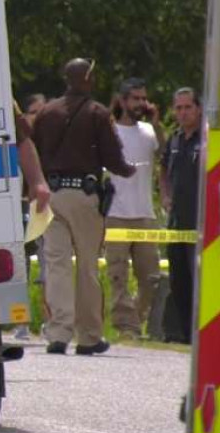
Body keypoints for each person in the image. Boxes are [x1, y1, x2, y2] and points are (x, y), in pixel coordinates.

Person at [32, 58, 135, 355]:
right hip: (84, 195)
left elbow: (33, 152)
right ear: (87, 78)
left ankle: (59, 333)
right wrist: (130, 170)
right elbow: (114, 159)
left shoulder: (47, 112)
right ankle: (89, 336)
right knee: (88, 266)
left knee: (57, 265)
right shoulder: (97, 113)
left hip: (50, 196)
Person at [105, 78, 166, 339]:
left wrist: (157, 124)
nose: (141, 103)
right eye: (136, 99)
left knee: (151, 276)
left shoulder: (149, 131)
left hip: (144, 214)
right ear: (122, 100)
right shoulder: (110, 131)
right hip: (116, 214)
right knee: (117, 275)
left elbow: (165, 154)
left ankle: (140, 319)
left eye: (144, 98)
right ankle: (126, 328)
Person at [159, 87, 203, 344]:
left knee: (198, 280)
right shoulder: (174, 139)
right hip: (177, 224)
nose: (183, 113)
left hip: (200, 223)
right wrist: (164, 195)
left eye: (188, 107)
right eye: (179, 108)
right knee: (179, 282)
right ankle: (184, 334)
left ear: (198, 108)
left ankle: (200, 333)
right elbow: (163, 169)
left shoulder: (207, 139)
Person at [13, 96, 52, 340]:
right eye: (33, 112)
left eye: (41, 112)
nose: (37, 117)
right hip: (19, 206)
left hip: (42, 208)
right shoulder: (19, 139)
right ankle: (21, 322)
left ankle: (51, 321)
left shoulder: (50, 140)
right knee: (21, 266)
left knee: (48, 266)